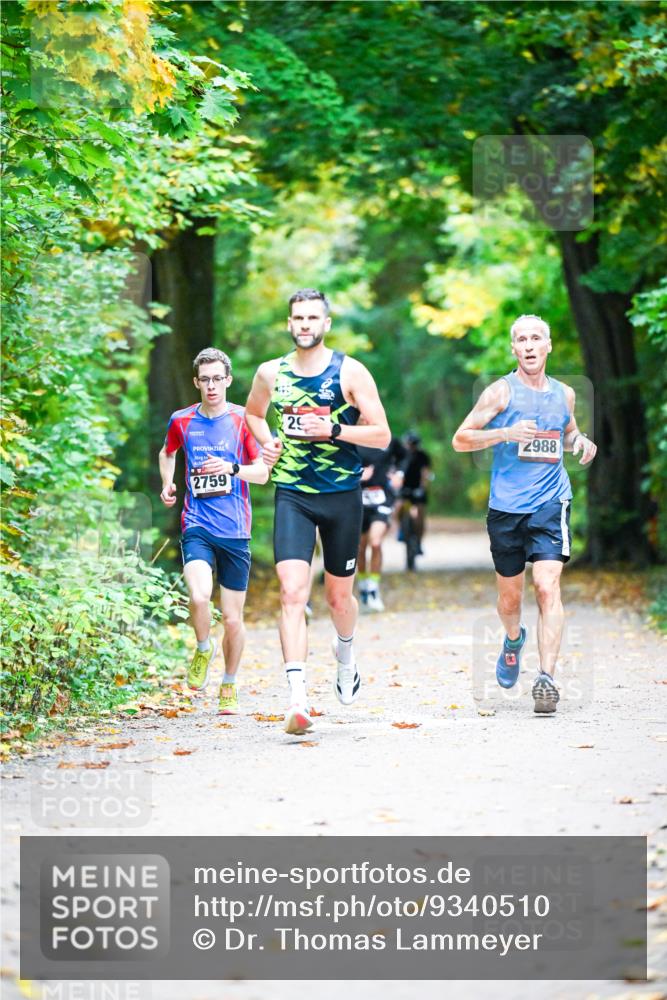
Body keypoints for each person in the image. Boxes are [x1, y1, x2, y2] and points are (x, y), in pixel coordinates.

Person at [245, 288, 391, 735]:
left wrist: (334, 428)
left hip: (342, 496)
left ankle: (345, 657)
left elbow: (382, 434)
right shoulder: (271, 372)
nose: (304, 324)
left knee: (338, 598)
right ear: (289, 324)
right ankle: (297, 699)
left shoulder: (349, 371)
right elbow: (253, 415)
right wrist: (266, 440)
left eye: (313, 317)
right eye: (297, 318)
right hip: (292, 493)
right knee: (292, 593)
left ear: (326, 324)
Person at [452, 314, 597, 714]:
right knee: (510, 600)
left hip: (551, 501)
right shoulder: (500, 393)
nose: (529, 345)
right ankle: (513, 639)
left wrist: (580, 441)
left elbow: (567, 433)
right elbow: (460, 438)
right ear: (514, 349)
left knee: (547, 586)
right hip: (506, 508)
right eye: (521, 340)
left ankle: (547, 679)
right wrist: (504, 433)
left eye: (536, 338)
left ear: (548, 346)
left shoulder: (564, 394)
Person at [159, 347, 269, 714]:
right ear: (196, 382)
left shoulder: (242, 420)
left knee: (235, 619)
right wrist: (167, 483)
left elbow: (262, 473)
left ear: (228, 381)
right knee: (200, 596)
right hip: (198, 525)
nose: (211, 386)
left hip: (236, 530)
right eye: (204, 379)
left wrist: (231, 467)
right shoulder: (182, 420)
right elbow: (167, 452)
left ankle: (229, 683)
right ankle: (203, 647)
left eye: (217, 379)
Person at [357, 435, 406, 612]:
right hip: (358, 500)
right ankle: (363, 587)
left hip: (382, 500)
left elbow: (405, 456)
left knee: (375, 542)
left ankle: (373, 589)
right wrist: (356, 475)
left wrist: (399, 474)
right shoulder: (349, 435)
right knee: (360, 548)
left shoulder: (387, 438)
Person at [400, 430, 432, 557]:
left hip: (418, 489)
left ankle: (418, 541)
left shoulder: (423, 456)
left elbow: (425, 474)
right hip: (403, 489)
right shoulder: (401, 455)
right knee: (397, 508)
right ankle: (399, 531)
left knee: (419, 516)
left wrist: (422, 488)